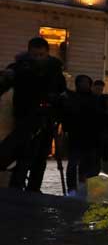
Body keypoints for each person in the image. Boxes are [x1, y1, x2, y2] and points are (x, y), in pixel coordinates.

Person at [3, 37, 66, 192]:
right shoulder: (20, 67)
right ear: (29, 52)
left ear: (47, 53)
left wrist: (58, 103)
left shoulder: (55, 70)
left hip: (48, 118)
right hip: (26, 117)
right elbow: (5, 84)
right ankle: (16, 187)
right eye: (34, 55)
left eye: (41, 55)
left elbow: (61, 92)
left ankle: (34, 188)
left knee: (41, 156)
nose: (37, 58)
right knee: (24, 154)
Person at [62, 75, 100, 192]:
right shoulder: (72, 98)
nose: (84, 85)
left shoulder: (94, 99)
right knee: (73, 163)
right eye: (82, 82)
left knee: (88, 164)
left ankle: (85, 187)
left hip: (90, 137)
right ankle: (72, 188)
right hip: (76, 136)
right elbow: (67, 115)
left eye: (86, 83)